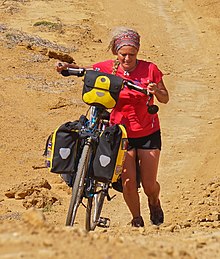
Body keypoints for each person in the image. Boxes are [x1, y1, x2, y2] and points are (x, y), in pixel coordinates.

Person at [56, 27, 169, 227]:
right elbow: (87, 69)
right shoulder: (109, 68)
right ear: (116, 52)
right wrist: (66, 66)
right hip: (120, 133)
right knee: (128, 183)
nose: (127, 59)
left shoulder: (150, 69)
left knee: (150, 185)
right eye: (123, 54)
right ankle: (137, 219)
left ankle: (154, 202)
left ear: (138, 51)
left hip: (147, 131)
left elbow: (165, 97)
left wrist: (155, 91)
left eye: (131, 55)